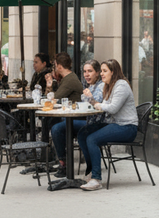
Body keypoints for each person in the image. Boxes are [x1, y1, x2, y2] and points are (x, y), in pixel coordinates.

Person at [77, 59, 138, 191]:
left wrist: (97, 104)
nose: (102, 74)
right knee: (83, 133)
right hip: (115, 124)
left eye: (105, 71)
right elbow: (100, 105)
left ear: (113, 72)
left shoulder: (121, 85)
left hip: (127, 127)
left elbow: (113, 108)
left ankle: (96, 179)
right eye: (102, 71)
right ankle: (91, 170)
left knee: (92, 139)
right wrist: (94, 101)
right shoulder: (109, 85)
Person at [52, 60, 102, 179]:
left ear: (97, 73)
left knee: (59, 128)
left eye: (90, 71)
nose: (86, 74)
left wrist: (89, 97)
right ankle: (63, 163)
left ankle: (86, 169)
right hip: (86, 119)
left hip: (95, 121)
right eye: (85, 71)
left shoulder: (101, 86)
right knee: (56, 128)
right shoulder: (87, 85)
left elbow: (97, 105)